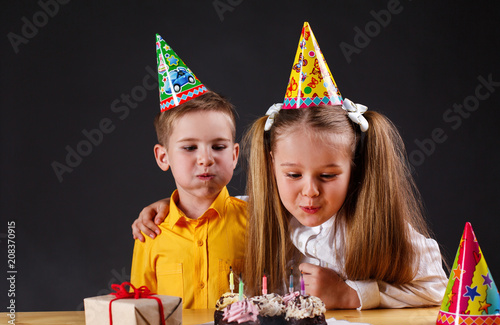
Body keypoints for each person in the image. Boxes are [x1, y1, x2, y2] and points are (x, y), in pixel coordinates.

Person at [133, 23, 447, 309]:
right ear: (271, 166)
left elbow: (440, 289)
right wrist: (164, 207)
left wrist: (352, 294)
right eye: (293, 175)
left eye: (328, 175)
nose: (309, 192)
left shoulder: (375, 226)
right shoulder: (258, 217)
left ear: (355, 166)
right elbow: (207, 210)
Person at [130, 35, 247, 310]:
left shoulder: (255, 223)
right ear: (163, 157)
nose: (205, 159)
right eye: (189, 147)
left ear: (234, 155)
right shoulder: (151, 232)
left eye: (218, 146)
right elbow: (136, 311)